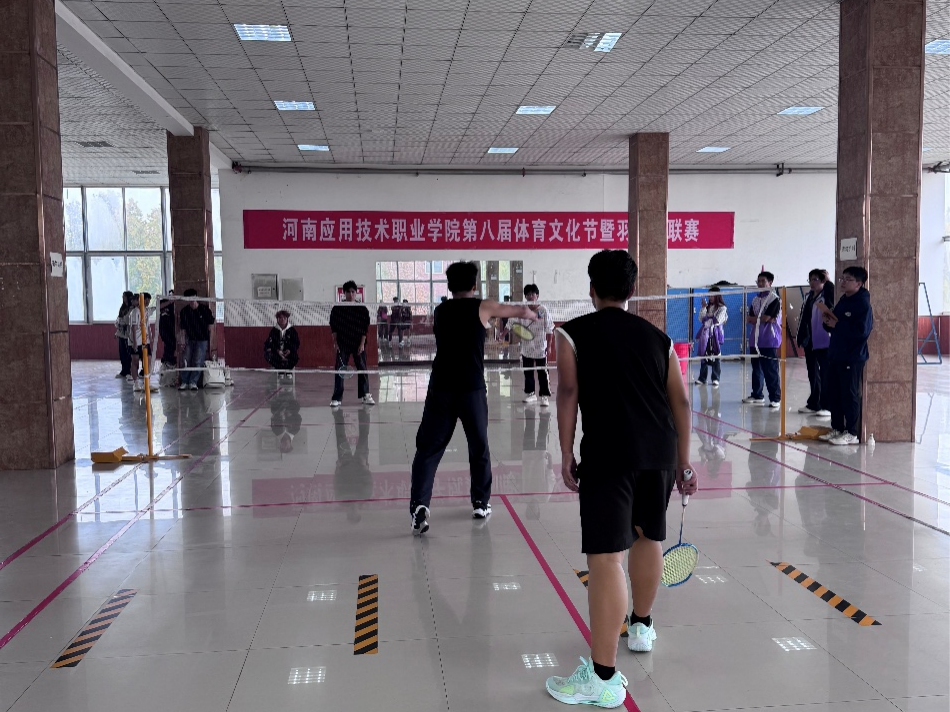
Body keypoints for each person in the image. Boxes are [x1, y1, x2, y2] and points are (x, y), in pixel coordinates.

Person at [545, 250, 695, 708]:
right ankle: (642, 627)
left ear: (592, 288)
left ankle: (603, 677)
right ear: (631, 290)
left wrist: (566, 452)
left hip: (609, 455)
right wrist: (684, 463)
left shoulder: (572, 334)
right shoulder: (658, 338)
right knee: (648, 536)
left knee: (607, 558)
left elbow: (568, 392)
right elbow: (680, 402)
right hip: (659, 452)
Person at [409, 261, 535, 534]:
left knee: (428, 449)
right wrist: (529, 312)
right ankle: (480, 502)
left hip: (441, 388)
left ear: (449, 286)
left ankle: (419, 506)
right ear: (474, 285)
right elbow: (514, 310)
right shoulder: (483, 307)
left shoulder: (440, 311)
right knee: (479, 448)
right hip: (471, 389)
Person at [817, 266, 873, 446]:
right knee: (834, 392)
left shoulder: (863, 304)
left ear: (859, 283)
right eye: (842, 278)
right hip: (836, 354)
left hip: (852, 356)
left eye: (848, 279)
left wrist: (837, 325)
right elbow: (835, 323)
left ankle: (851, 432)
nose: (843, 282)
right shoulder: (843, 300)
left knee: (849, 394)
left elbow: (862, 331)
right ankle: (837, 428)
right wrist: (827, 322)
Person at [508, 284, 555, 406]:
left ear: (537, 296)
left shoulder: (543, 310)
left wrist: (549, 346)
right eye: (527, 294)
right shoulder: (522, 309)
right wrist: (503, 334)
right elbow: (511, 321)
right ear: (525, 296)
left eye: (532, 294)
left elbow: (550, 329)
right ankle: (531, 394)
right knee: (528, 372)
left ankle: (544, 396)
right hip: (526, 348)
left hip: (540, 348)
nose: (530, 296)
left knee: (542, 372)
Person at [796, 269, 834, 417]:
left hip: (824, 340)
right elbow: (804, 318)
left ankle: (827, 406)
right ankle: (814, 403)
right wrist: (801, 336)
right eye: (810, 279)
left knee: (825, 373)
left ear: (823, 281)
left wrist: (828, 281)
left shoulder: (827, 294)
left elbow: (831, 292)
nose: (812, 283)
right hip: (810, 340)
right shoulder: (809, 296)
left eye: (815, 279)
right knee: (813, 373)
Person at [330, 281, 374, 407]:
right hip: (342, 343)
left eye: (353, 292)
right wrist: (335, 343)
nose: (351, 294)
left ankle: (365, 395)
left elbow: (364, 329)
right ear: (344, 293)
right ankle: (337, 398)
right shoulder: (337, 308)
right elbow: (334, 328)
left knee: (362, 368)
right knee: (339, 369)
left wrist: (362, 344)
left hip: (358, 343)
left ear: (356, 293)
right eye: (348, 292)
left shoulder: (362, 309)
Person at [742, 271, 782, 409]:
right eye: (758, 281)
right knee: (756, 369)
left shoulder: (774, 299)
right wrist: (760, 319)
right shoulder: (755, 299)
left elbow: (767, 318)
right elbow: (750, 318)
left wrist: (760, 319)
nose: (760, 284)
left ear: (770, 283)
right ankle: (757, 395)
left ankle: (775, 398)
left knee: (770, 370)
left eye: (763, 281)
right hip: (755, 339)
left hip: (769, 339)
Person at [178, 288, 216, 391]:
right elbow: (182, 329)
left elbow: (211, 327)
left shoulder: (205, 310)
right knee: (185, 361)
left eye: (193, 297)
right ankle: (184, 382)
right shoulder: (184, 311)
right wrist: (182, 341)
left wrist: (211, 344)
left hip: (202, 340)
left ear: (196, 297)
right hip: (189, 339)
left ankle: (193, 382)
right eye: (189, 298)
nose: (191, 300)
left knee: (198, 361)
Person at [693, 286, 728, 386]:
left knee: (716, 354)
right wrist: (704, 308)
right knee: (704, 353)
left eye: (712, 295)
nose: (710, 298)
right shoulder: (707, 307)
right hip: (705, 334)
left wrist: (707, 320)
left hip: (715, 334)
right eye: (709, 296)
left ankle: (715, 378)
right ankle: (702, 378)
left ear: (717, 296)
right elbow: (701, 318)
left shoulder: (722, 308)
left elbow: (717, 320)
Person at [129, 293, 158, 392]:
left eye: (149, 301)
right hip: (136, 341)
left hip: (145, 341)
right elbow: (133, 328)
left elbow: (148, 324)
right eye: (146, 300)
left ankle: (147, 383)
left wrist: (150, 336)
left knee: (148, 360)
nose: (147, 302)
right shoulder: (135, 312)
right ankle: (136, 383)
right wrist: (134, 342)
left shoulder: (146, 311)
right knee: (135, 362)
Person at [264, 310, 301, 380]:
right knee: (270, 356)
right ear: (277, 319)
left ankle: (289, 371)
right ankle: (280, 371)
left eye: (284, 318)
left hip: (289, 352)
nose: (282, 319)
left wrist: (290, 350)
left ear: (287, 319)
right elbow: (270, 343)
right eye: (280, 318)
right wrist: (277, 351)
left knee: (294, 357)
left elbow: (296, 343)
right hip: (277, 352)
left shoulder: (292, 330)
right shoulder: (273, 330)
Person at [115, 291, 134, 380]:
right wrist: (119, 323)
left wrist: (121, 321)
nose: (123, 297)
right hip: (121, 334)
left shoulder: (132, 308)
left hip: (128, 335)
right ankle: (123, 371)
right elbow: (118, 320)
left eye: (124, 296)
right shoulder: (122, 308)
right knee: (122, 353)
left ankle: (129, 371)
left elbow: (127, 320)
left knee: (128, 354)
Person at [158, 292, 177, 367]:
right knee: (168, 343)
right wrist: (170, 301)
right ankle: (166, 360)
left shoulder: (175, 304)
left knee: (173, 344)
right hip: (164, 328)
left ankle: (170, 360)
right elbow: (158, 307)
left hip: (172, 327)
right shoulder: (164, 301)